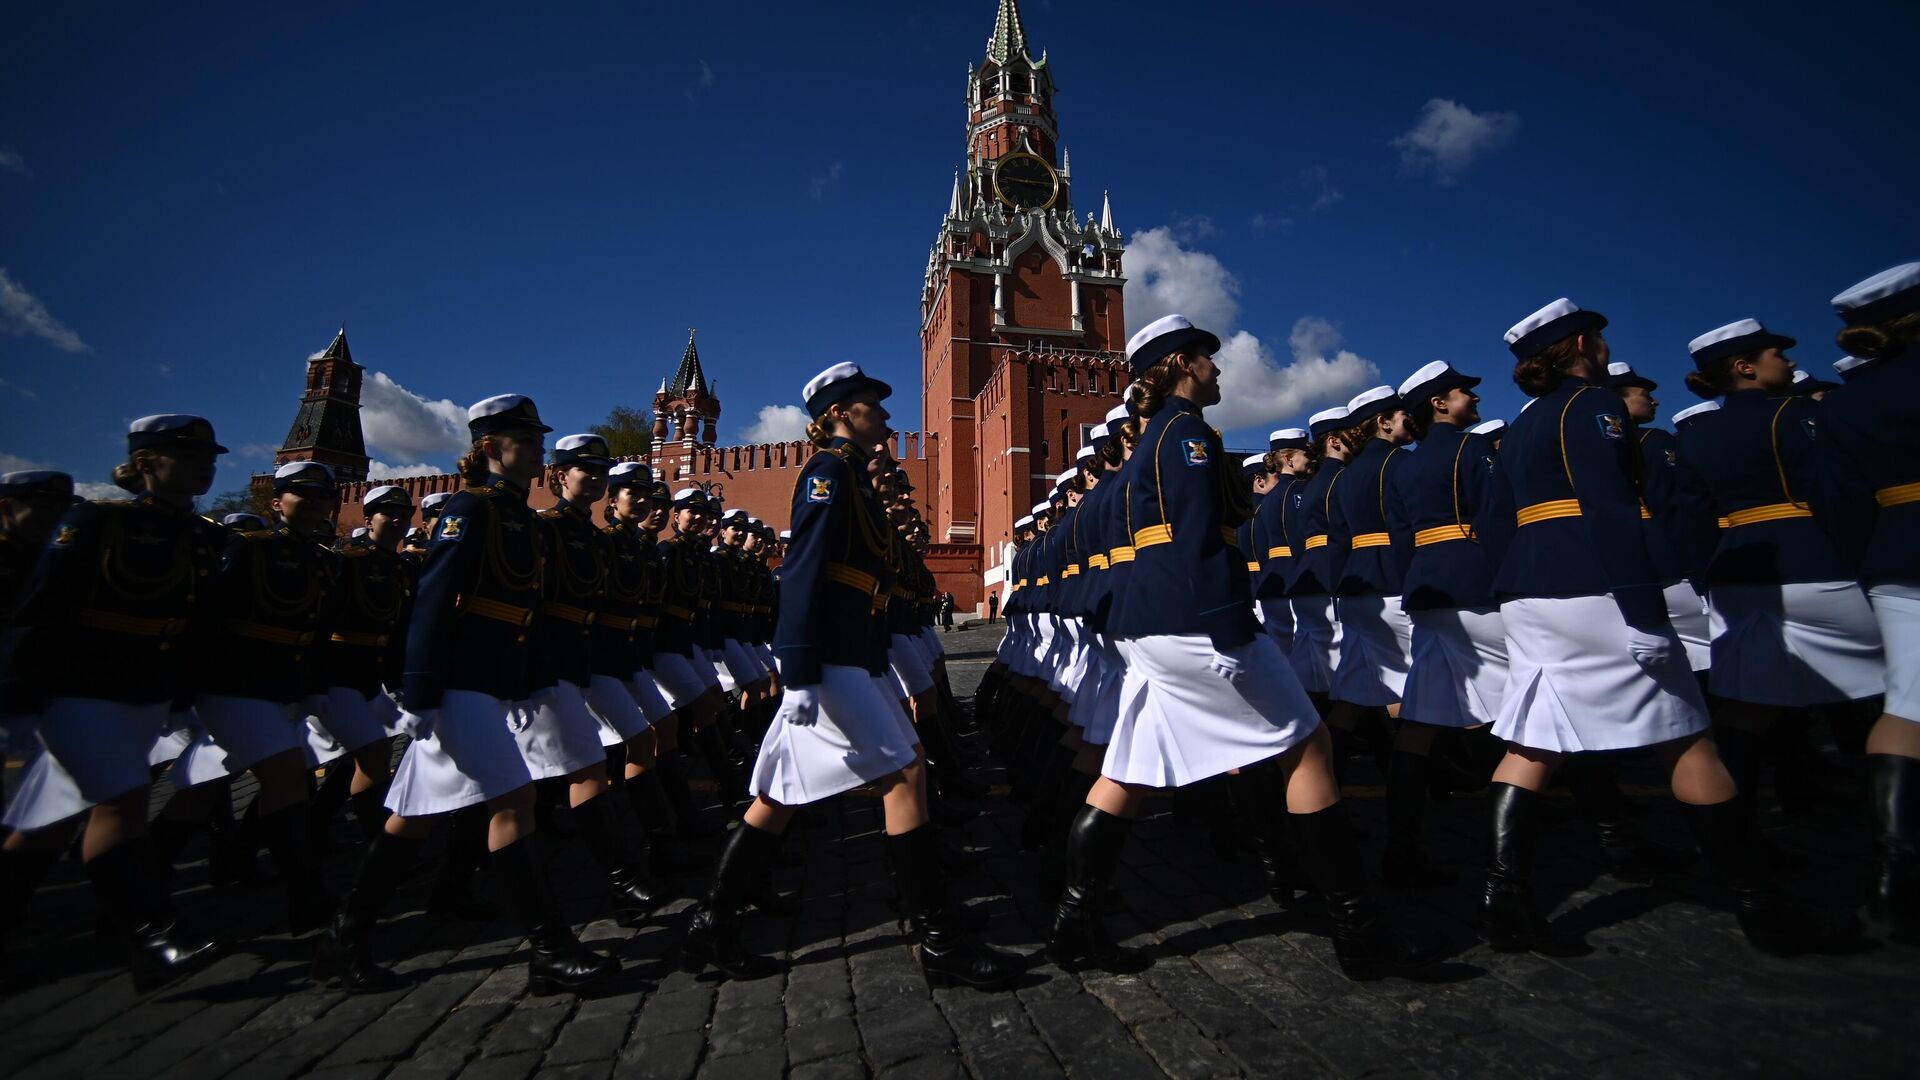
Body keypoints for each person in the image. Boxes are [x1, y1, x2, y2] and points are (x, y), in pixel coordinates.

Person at [1050, 314, 1437, 980]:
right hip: (1196, 622)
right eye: (1208, 357)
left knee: (1131, 773)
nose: (1219, 369)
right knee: (1308, 745)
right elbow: (1197, 539)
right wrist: (1229, 627)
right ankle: (1356, 928)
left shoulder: (1158, 438)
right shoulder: (1186, 434)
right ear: (1181, 365)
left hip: (1154, 623)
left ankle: (1073, 923)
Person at [1483, 298, 1856, 956]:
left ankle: (1505, 898)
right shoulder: (1593, 405)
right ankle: (1760, 908)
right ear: (1579, 345)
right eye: (1597, 337)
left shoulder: (1524, 424)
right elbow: (1610, 510)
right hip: (1595, 586)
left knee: (1534, 743)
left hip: (1531, 590)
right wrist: (1644, 611)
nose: (1604, 346)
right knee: (1688, 742)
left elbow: (1495, 524)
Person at [677, 361, 1020, 989]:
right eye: (871, 404)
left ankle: (712, 920)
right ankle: (937, 937)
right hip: (830, 660)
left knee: (780, 793)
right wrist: (800, 669)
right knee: (905, 771)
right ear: (838, 413)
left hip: (849, 654)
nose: (886, 416)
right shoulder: (828, 474)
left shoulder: (851, 478)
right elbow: (803, 573)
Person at [315, 394, 619, 995]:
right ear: (489, 449)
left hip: (491, 681)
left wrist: (524, 680)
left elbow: (523, 612)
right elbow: (433, 602)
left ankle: (345, 935)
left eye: (537, 440)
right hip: (457, 685)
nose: (538, 451)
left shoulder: (519, 518)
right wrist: (419, 694)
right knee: (513, 802)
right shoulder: (471, 510)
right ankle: (549, 947)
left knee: (414, 817)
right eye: (525, 442)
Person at [3, 416, 228, 987]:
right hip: (81, 689)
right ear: (146, 462)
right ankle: (153, 935)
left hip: (144, 693)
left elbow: (192, 625)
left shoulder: (200, 534)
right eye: (186, 454)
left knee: (50, 821)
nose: (204, 465)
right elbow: (39, 611)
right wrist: (17, 700)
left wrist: (181, 697)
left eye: (208, 457)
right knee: (122, 805)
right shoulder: (96, 520)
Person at [1815, 261, 1920, 940]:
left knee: (1906, 703)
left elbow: (1838, 504)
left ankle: (1895, 870)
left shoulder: (1850, 402)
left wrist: (1866, 562)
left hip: (1893, 550)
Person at [1383, 361, 1510, 889]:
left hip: (1426, 587)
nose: (1473, 400)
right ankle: (1516, 849)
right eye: (1463, 393)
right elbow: (1498, 519)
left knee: (1421, 720)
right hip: (1474, 582)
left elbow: (1399, 534)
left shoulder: (1404, 465)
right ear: (1439, 403)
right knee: (1534, 708)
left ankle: (1402, 843)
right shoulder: (1472, 449)